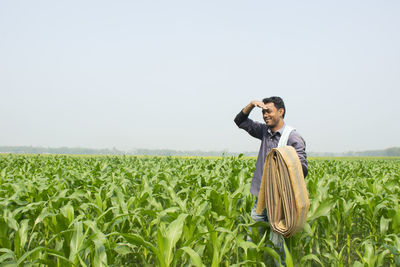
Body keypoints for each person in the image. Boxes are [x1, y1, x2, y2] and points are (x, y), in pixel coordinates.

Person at [234, 96, 308, 264]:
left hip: (280, 205)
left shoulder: (292, 137)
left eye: (268, 111)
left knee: (278, 249)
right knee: (252, 243)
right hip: (260, 201)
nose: (265, 115)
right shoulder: (264, 132)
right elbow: (240, 121)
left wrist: (282, 168)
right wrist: (252, 104)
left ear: (280, 112)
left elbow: (302, 168)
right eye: (263, 112)